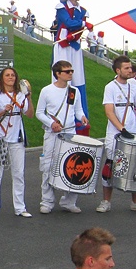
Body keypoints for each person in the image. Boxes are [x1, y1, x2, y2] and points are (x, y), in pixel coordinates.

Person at [95, 56, 136, 214]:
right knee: (111, 166)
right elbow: (109, 111)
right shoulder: (110, 87)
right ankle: (106, 201)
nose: (130, 71)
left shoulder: (133, 85)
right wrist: (121, 129)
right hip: (116, 133)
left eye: (130, 68)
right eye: (127, 68)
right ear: (118, 70)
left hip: (132, 133)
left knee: (135, 164)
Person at [36, 60, 89, 214]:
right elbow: (40, 112)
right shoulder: (46, 90)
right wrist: (51, 123)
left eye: (71, 71)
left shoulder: (74, 91)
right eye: (67, 71)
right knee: (48, 165)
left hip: (70, 132)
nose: (71, 73)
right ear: (58, 74)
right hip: (52, 133)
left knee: (72, 166)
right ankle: (47, 201)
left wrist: (82, 117)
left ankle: (69, 200)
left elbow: (77, 110)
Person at [0, 67, 34, 219]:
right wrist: (3, 112)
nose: (10, 77)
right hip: (0, 138)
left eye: (13, 75)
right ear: (2, 79)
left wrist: (29, 98)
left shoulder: (21, 96)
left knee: (19, 174)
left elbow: (30, 114)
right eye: (7, 75)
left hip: (17, 139)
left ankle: (20, 207)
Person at [52, 0, 93, 133]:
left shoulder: (82, 10)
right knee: (62, 76)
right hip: (62, 45)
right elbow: (68, 23)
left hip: (75, 47)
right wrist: (83, 24)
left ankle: (79, 119)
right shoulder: (61, 8)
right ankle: (61, 116)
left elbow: (77, 25)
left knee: (77, 79)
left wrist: (82, 24)